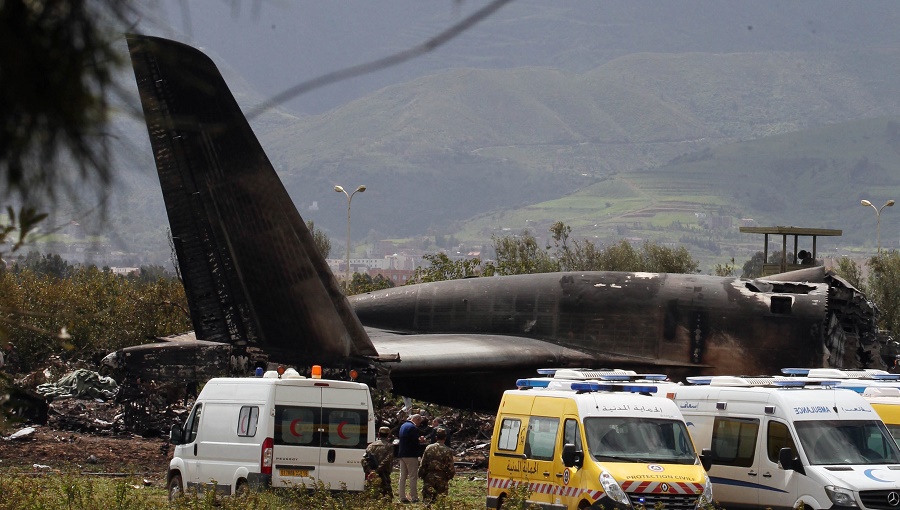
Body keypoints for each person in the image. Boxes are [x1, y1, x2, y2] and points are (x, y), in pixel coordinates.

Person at [418, 427, 456, 504]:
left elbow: (423, 463)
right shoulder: (448, 450)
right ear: (445, 438)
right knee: (441, 501)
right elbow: (451, 466)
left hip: (429, 476)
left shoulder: (429, 448)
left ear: (436, 437)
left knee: (428, 500)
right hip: (442, 477)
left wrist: (421, 474)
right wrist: (449, 476)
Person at [397, 413, 426, 503]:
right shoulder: (413, 428)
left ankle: (402, 496)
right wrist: (420, 440)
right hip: (411, 455)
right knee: (413, 476)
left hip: (402, 454)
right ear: (416, 420)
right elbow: (414, 442)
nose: (419, 424)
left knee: (403, 476)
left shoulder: (403, 426)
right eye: (419, 422)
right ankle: (414, 497)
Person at [362, 426, 394, 498]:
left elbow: (363, 460)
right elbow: (387, 460)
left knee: (372, 495)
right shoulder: (389, 446)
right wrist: (376, 471)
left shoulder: (371, 446)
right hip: (384, 474)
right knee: (386, 496)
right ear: (388, 435)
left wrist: (370, 471)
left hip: (372, 475)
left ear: (378, 434)